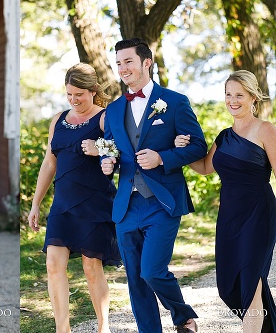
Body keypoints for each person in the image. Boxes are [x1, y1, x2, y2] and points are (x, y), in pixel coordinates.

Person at [100, 38, 206, 333]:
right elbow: (109, 148)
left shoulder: (174, 102)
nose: (122, 68)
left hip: (162, 200)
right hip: (126, 205)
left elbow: (198, 146)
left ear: (146, 62)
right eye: (118, 63)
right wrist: (107, 164)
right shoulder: (114, 109)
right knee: (135, 278)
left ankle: (183, 316)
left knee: (152, 272)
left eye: (128, 61)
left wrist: (162, 157)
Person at [175, 70, 276, 332]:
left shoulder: (265, 129)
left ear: (253, 97)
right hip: (229, 214)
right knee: (230, 284)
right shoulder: (223, 136)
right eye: (228, 94)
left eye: (239, 95)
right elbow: (205, 168)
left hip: (258, 213)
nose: (232, 100)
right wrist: (181, 149)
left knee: (251, 279)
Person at [28, 63, 120, 333]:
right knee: (53, 264)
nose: (73, 99)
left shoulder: (105, 118)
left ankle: (103, 328)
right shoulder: (58, 120)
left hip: (95, 202)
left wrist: (99, 147)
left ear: (93, 91)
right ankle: (63, 329)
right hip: (63, 204)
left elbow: (123, 149)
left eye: (79, 94)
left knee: (92, 268)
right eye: (69, 94)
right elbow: (49, 163)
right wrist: (35, 204)